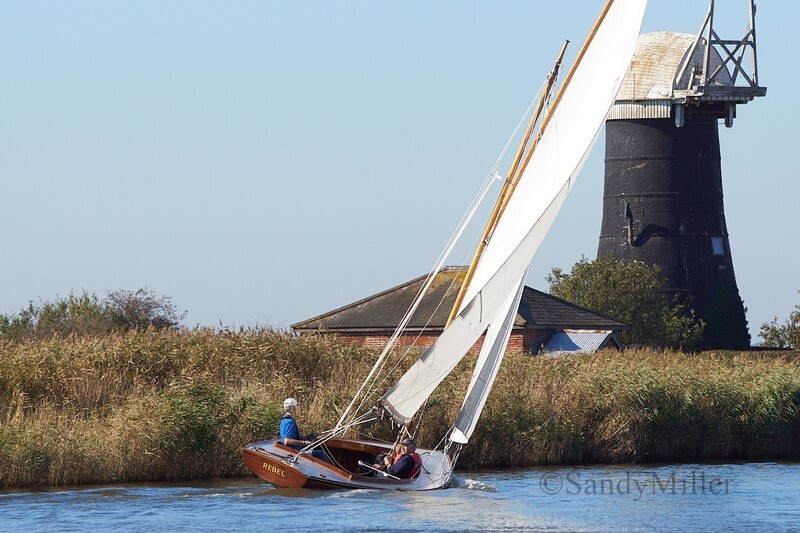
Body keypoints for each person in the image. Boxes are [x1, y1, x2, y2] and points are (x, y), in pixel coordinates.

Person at [279, 397, 329, 463]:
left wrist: (308, 437)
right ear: (293, 408)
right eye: (296, 406)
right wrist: (304, 442)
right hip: (294, 452)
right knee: (320, 453)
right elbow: (287, 440)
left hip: (292, 450)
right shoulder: (290, 422)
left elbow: (295, 437)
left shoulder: (284, 420)